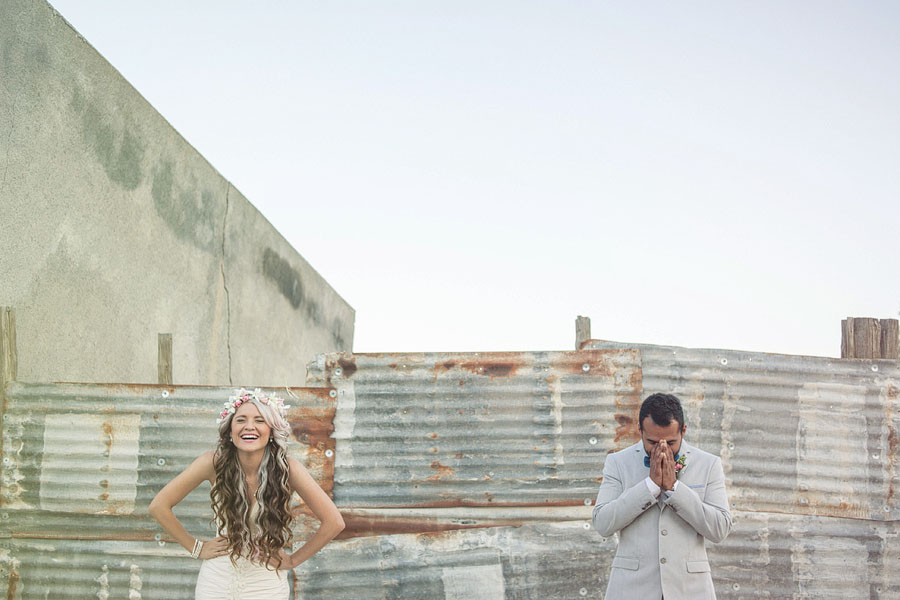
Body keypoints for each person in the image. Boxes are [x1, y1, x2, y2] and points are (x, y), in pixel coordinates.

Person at [149, 388, 345, 599]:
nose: (249, 426)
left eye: (259, 420)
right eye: (241, 420)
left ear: (271, 430)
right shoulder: (212, 463)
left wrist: (292, 561)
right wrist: (196, 548)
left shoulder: (288, 469)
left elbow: (334, 522)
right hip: (216, 582)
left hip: (266, 584)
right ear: (230, 430)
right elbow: (159, 506)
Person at [592, 393, 732, 600]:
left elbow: (720, 529)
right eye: (652, 442)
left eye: (671, 442)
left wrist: (675, 489)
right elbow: (603, 523)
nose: (662, 449)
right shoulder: (618, 463)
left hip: (689, 590)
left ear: (683, 430)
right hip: (632, 590)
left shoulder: (708, 464)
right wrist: (649, 486)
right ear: (640, 430)